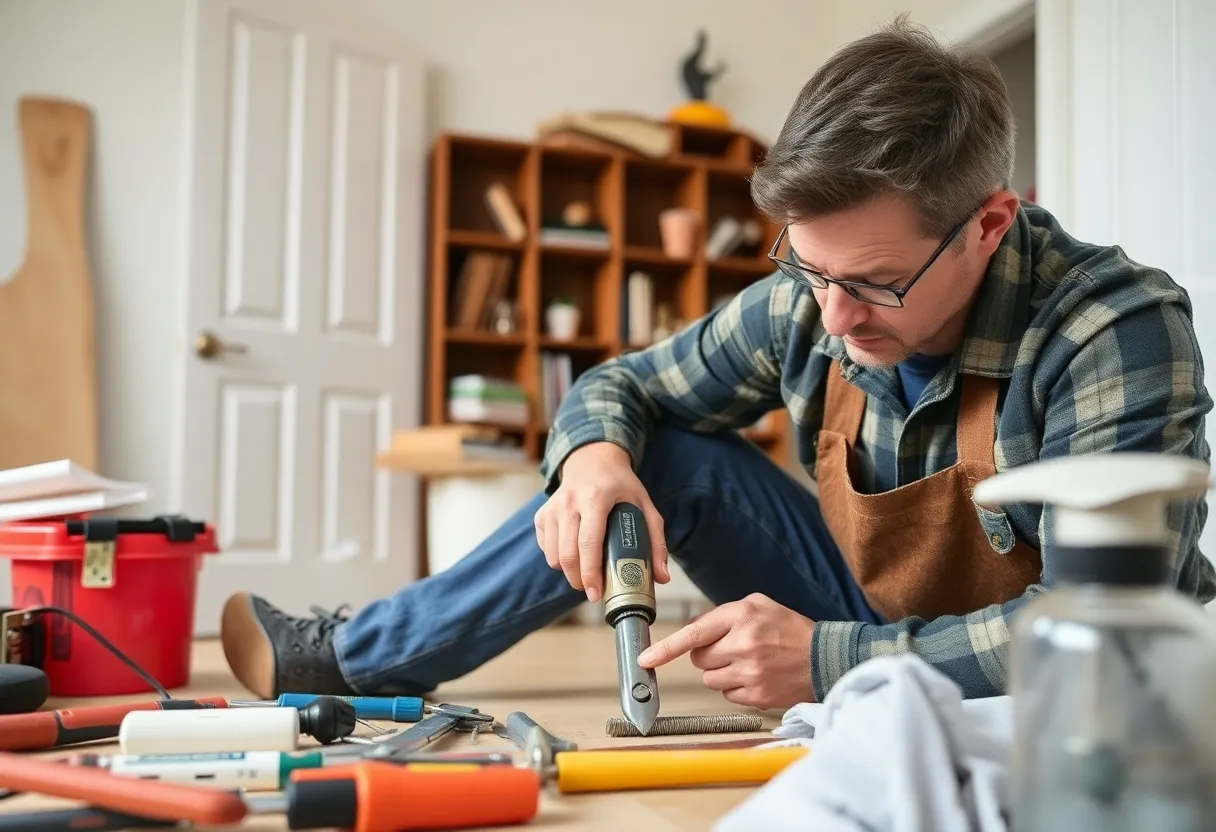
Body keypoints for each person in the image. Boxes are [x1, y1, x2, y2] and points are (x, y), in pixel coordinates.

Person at [218, 17, 1216, 708]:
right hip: (882, 621)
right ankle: (359, 660)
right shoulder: (813, 295)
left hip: (1087, 683)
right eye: (807, 266)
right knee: (659, 452)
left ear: (988, 225)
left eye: (873, 283)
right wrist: (591, 460)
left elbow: (1104, 631)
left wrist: (828, 663)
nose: (829, 314)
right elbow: (621, 384)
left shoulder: (1110, 329)